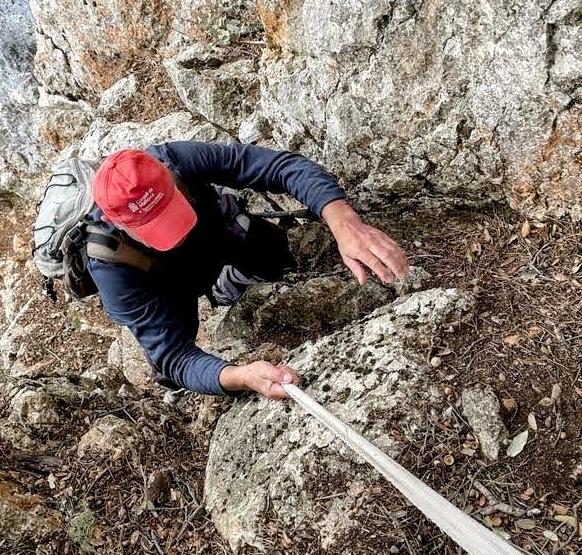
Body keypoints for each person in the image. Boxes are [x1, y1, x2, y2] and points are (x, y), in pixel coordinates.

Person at [88, 141, 409, 400]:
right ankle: (218, 292)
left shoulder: (176, 160)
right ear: (116, 224)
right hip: (169, 286)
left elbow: (279, 166)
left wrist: (342, 221)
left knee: (276, 253)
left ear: (168, 176)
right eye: (157, 226)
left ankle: (227, 284)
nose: (177, 235)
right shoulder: (112, 266)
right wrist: (241, 376)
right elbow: (175, 356)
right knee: (171, 369)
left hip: (215, 234)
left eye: (172, 210)